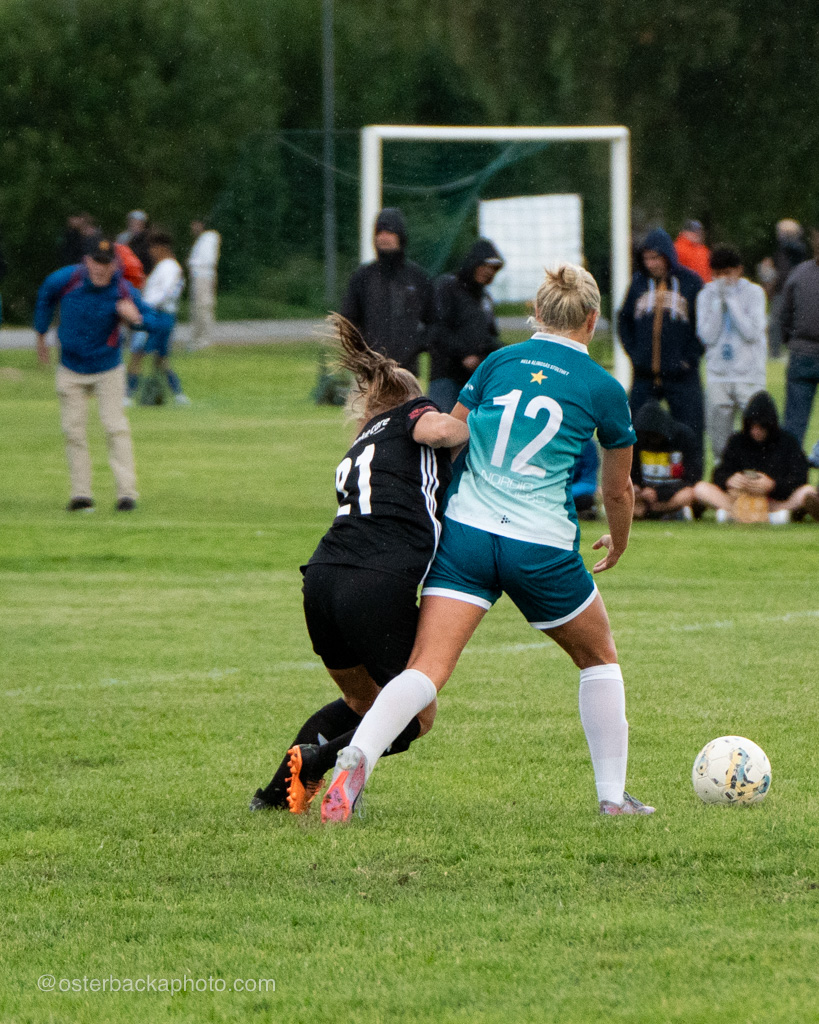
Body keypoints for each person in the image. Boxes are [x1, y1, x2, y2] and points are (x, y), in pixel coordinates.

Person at [320, 263, 655, 823]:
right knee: (598, 658)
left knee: (426, 668)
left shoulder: (498, 362)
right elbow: (617, 489)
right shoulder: (603, 388)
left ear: (537, 312)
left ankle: (358, 756)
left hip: (468, 535)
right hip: (540, 546)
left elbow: (451, 438)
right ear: (592, 320)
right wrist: (618, 542)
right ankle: (612, 798)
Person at [249, 314, 469, 814]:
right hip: (376, 582)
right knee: (416, 716)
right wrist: (483, 420)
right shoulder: (414, 414)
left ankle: (274, 798)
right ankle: (321, 760)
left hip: (321, 579)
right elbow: (441, 429)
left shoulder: (363, 441)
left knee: (360, 702)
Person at [34, 236, 170, 511]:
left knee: (115, 428)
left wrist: (136, 319)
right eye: (96, 261)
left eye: (106, 263)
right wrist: (40, 332)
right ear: (86, 261)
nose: (101, 268)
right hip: (70, 368)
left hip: (108, 369)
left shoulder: (123, 290)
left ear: (114, 265)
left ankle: (126, 495)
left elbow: (158, 323)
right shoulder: (67, 279)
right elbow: (46, 294)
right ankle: (81, 495)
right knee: (73, 431)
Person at [618, 227, 705, 465]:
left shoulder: (691, 283)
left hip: (682, 375)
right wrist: (635, 354)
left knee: (690, 429)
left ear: (667, 255)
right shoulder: (638, 283)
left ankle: (691, 480)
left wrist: (689, 358)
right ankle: (636, 478)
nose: (651, 263)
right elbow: (624, 320)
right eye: (646, 258)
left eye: (656, 257)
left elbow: (704, 326)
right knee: (635, 428)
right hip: (644, 374)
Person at [693, 391, 819, 524]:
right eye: (752, 426)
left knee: (807, 491)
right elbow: (718, 473)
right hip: (741, 499)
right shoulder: (737, 441)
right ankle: (766, 516)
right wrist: (730, 480)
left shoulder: (787, 442)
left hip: (774, 501)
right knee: (701, 488)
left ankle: (742, 515)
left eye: (761, 427)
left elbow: (800, 477)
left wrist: (773, 485)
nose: (755, 431)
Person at [340, 208, 434, 376]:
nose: (384, 237)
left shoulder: (417, 278)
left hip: (407, 370)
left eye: (390, 232)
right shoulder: (363, 277)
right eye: (380, 232)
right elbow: (348, 320)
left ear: (400, 236)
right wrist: (363, 350)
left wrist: (416, 345)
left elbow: (434, 320)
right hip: (370, 370)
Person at [696, 246, 767, 462]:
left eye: (727, 273)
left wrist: (732, 301)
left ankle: (755, 470)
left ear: (738, 270)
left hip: (749, 374)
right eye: (717, 274)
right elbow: (707, 336)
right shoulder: (706, 295)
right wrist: (719, 303)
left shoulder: (754, 293)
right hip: (718, 374)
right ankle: (724, 472)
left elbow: (751, 332)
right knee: (720, 438)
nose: (722, 279)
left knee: (755, 430)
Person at [427, 238, 505, 412]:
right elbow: (437, 330)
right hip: (446, 377)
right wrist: (464, 355)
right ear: (473, 263)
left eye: (493, 269)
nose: (488, 272)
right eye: (485, 266)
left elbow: (490, 336)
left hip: (474, 378)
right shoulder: (447, 287)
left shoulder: (485, 299)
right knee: (443, 424)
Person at [126, 230, 188, 406]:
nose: (150, 252)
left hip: (157, 315)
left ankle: (128, 394)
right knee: (160, 357)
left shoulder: (169, 267)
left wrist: (144, 306)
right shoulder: (164, 267)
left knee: (139, 353)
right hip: (159, 314)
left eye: (152, 248)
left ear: (161, 248)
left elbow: (165, 293)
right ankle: (177, 393)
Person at [780, 225, 819, 448]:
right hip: (804, 350)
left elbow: (785, 314)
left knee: (794, 424)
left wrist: (790, 341)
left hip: (801, 353)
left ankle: (790, 467)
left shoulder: (799, 273)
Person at [630, 400, 700, 520]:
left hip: (675, 492)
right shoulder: (636, 442)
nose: (652, 439)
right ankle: (670, 513)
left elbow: (692, 478)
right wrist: (637, 488)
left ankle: (658, 511)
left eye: (655, 435)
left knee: (690, 494)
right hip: (645, 494)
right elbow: (632, 474)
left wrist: (659, 493)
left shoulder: (684, 436)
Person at [760, 219, 808, 359]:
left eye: (784, 232)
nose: (780, 235)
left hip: (796, 290)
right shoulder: (780, 250)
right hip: (781, 290)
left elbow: (791, 247)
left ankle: (797, 351)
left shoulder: (797, 248)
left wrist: (787, 234)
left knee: (797, 322)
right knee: (775, 321)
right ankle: (775, 352)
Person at [187, 218, 221, 350]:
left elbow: (207, 261)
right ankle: (197, 338)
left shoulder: (209, 238)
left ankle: (204, 339)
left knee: (203, 307)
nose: (193, 228)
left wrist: (192, 263)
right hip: (199, 276)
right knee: (198, 308)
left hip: (203, 276)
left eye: (195, 225)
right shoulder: (202, 239)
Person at [571, 439, 599, 520]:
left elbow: (589, 482)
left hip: (573, 491)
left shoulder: (587, 443)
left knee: (585, 500)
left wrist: (564, 492)